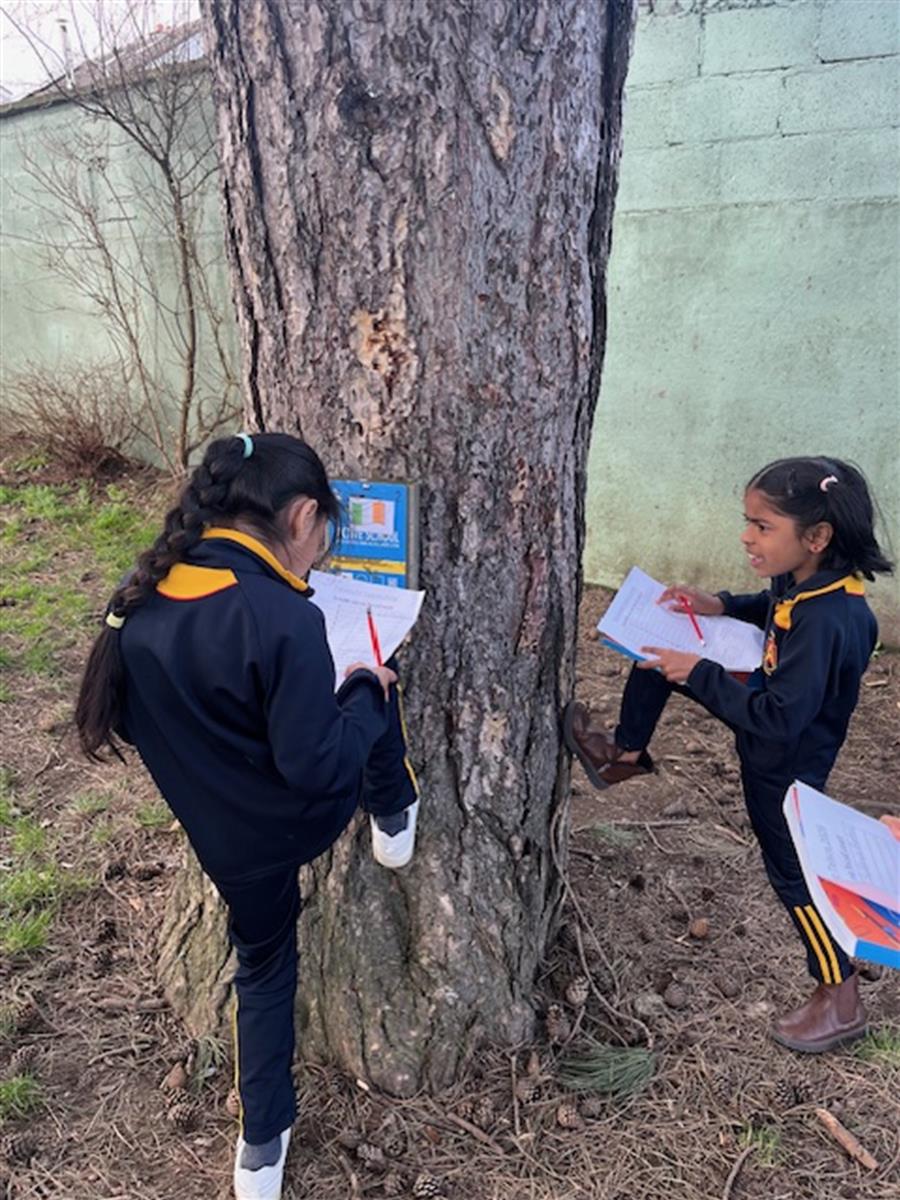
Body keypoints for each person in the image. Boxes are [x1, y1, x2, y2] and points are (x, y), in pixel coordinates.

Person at [75, 432, 420, 1200]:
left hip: (222, 840)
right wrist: (363, 689)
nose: (320, 549)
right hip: (297, 819)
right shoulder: (280, 617)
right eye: (323, 532)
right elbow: (318, 767)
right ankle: (394, 809)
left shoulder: (141, 593)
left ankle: (261, 1146)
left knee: (262, 967)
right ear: (301, 517)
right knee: (374, 679)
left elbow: (137, 717)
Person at [564, 456, 893, 1053]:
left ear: (817, 536)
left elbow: (780, 719)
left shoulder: (831, 620)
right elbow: (772, 608)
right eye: (748, 522)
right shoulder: (808, 583)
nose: (746, 536)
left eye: (762, 526)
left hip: (782, 765)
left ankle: (840, 996)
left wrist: (703, 672)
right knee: (657, 655)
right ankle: (624, 754)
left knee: (793, 877)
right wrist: (720, 605)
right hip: (766, 718)